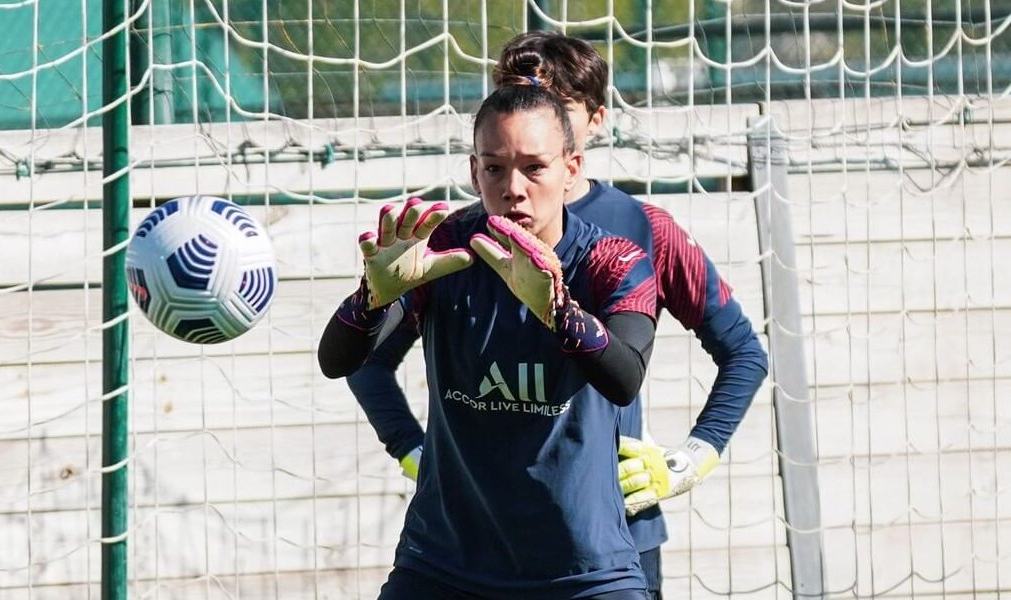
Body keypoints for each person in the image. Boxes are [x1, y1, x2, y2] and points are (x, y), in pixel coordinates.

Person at [345, 31, 769, 599]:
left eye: (556, 107)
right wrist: (410, 447)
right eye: (514, 97)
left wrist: (690, 459)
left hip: (606, 540)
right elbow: (365, 357)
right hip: (467, 550)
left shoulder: (639, 232)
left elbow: (743, 352)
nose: (532, 114)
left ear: (591, 124)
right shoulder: (459, 240)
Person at [319, 84, 660, 599]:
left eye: (534, 167)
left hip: (586, 574)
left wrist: (558, 311)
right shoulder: (444, 252)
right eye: (495, 168)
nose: (513, 187)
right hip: (443, 566)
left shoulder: (611, 260)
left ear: (571, 170)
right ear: (473, 172)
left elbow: (624, 377)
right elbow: (340, 361)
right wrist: (372, 297)